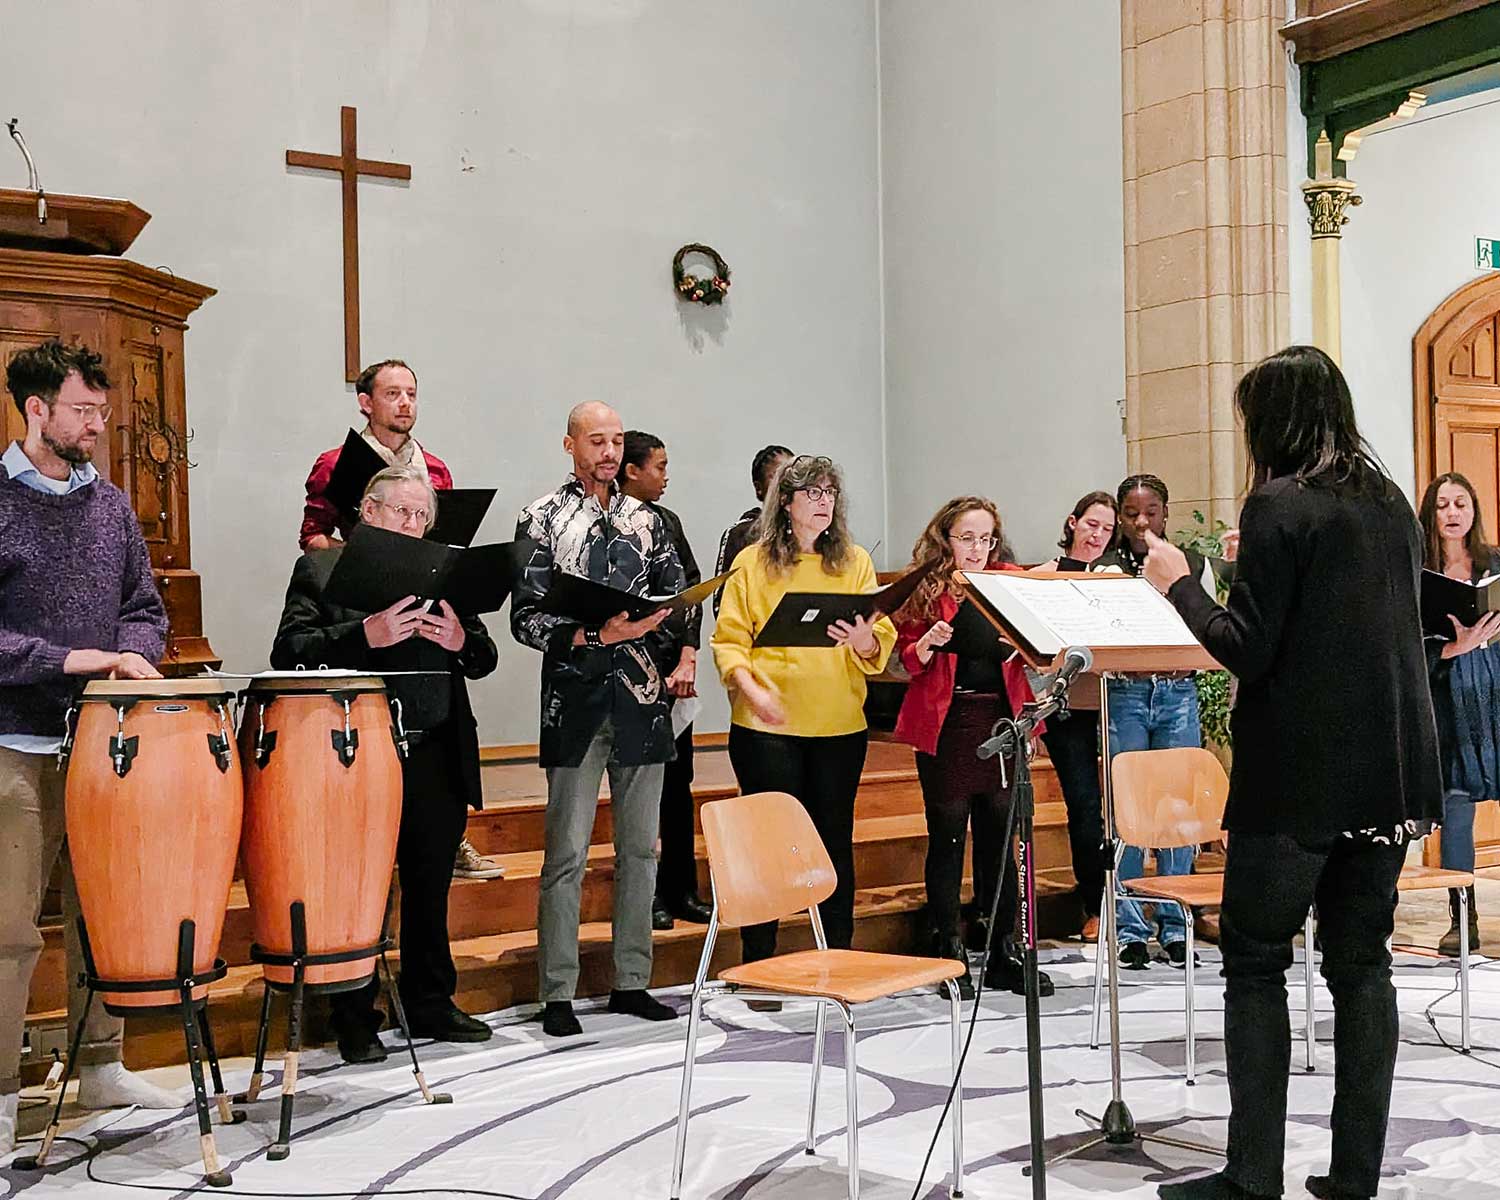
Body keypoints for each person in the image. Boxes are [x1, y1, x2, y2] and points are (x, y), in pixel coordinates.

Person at [1145, 345, 1442, 1200]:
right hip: (1387, 771)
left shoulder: (1279, 502)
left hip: (1302, 777)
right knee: (1362, 967)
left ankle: (1250, 1178)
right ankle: (1354, 1180)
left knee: (1254, 959)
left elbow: (1248, 648)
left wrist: (1182, 584)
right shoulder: (1386, 500)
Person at [1, 341, 180, 1156]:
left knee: (104, 915)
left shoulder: (109, 506)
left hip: (106, 745)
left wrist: (136, 647)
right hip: (16, 747)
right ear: (36, 410)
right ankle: (2, 1099)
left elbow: (145, 604)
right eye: (84, 412)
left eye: (104, 414)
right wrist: (72, 659)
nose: (99, 429)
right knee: (7, 932)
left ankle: (101, 1061)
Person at [271, 465, 498, 1062]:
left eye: (423, 515)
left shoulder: (441, 575)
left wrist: (461, 642)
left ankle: (430, 1001)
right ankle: (354, 1015)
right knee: (360, 889)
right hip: (357, 756)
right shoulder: (321, 568)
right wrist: (362, 636)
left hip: (437, 750)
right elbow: (289, 653)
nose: (413, 523)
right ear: (368, 513)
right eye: (402, 512)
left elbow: (484, 655)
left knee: (430, 884)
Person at [512, 402, 685, 1038]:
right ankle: (555, 990)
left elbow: (678, 598)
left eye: (616, 441)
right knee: (567, 853)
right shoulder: (541, 518)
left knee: (642, 851)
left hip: (642, 701)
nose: (609, 452)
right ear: (570, 444)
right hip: (575, 701)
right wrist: (592, 631)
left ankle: (631, 981)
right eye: (596, 440)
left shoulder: (653, 521)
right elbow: (525, 618)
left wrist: (662, 630)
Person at [297, 359, 499, 884]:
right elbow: (315, 533)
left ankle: (448, 843)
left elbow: (448, 543)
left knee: (429, 844)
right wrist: (363, 569)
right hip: (359, 602)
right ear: (366, 401)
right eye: (393, 393)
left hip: (426, 621)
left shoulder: (433, 468)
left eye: (412, 393)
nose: (405, 403)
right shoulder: (336, 462)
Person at [711, 454, 895, 995]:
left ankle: (836, 959)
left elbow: (875, 643)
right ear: (785, 503)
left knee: (834, 841)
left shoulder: (854, 561)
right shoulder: (752, 563)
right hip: (767, 726)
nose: (822, 501)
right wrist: (750, 688)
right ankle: (759, 966)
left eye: (829, 492)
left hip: (838, 723)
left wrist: (864, 641)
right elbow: (728, 641)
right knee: (767, 846)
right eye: (810, 492)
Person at [891, 496, 1054, 999]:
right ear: (946, 538)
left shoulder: (1007, 581)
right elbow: (904, 662)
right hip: (949, 721)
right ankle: (948, 947)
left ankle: (1003, 943)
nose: (978, 548)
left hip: (1002, 717)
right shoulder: (923, 586)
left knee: (999, 835)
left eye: (986, 538)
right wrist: (930, 642)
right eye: (967, 538)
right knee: (949, 834)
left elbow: (1039, 646)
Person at [1093, 473, 1219, 968]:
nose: (1142, 521)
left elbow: (1207, 621)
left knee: (1176, 807)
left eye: (1151, 512)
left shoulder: (1191, 563)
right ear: (1121, 517)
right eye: (1131, 513)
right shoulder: (1106, 570)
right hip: (1126, 690)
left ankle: (1175, 922)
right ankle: (1127, 926)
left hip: (1178, 690)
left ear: (1166, 513)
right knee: (1129, 807)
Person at [618, 430, 713, 930]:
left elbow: (690, 592)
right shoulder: (608, 526)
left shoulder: (668, 522)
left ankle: (682, 889)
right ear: (631, 470)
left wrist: (689, 656)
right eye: (658, 466)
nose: (666, 475)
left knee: (679, 786)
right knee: (643, 793)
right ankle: (648, 894)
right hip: (632, 671)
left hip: (675, 672)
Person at [1417, 471, 1500, 956]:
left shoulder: (1494, 564)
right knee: (1457, 808)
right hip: (1448, 698)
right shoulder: (1418, 574)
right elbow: (1406, 645)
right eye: (1443, 504)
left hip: (1494, 692)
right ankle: (1461, 916)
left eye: (1461, 504)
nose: (1452, 513)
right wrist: (1452, 649)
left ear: (1474, 511)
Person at [1030, 491, 1119, 941]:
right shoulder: (1043, 576)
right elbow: (1027, 650)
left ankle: (1132, 905)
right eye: (1091, 525)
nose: (1097, 535)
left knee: (1123, 810)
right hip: (1069, 709)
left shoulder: (1115, 577)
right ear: (1072, 523)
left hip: (1117, 703)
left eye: (1106, 529)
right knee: (1084, 807)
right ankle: (1095, 905)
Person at [712, 444, 793, 615]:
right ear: (759, 488)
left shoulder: (815, 532)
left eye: (794, 477)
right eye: (777, 477)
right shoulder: (741, 534)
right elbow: (723, 602)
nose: (786, 485)